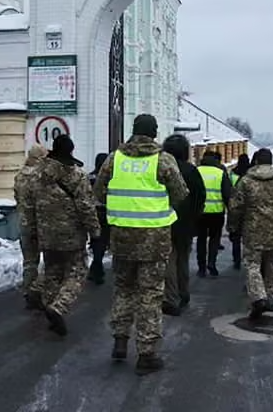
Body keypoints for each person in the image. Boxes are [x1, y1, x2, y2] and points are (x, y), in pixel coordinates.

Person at [92, 114, 189, 375]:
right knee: (150, 294)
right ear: (154, 133)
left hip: (122, 238)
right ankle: (146, 354)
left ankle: (120, 341)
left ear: (133, 131)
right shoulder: (163, 160)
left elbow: (98, 192)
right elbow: (180, 194)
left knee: (123, 289)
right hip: (154, 240)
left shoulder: (115, 158)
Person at [30, 135, 100, 336]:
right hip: (71, 234)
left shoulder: (38, 173)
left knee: (52, 271)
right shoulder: (76, 175)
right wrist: (95, 231)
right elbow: (86, 207)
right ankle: (58, 307)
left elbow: (31, 201)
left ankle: (49, 307)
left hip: (46, 233)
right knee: (77, 272)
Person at [227, 148, 273, 320]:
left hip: (253, 230)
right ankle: (271, 299)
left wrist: (232, 227)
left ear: (257, 162)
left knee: (252, 264)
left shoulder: (246, 182)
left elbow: (235, 207)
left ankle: (259, 297)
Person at [161, 134, 206, 316]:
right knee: (183, 258)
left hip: (165, 219)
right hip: (186, 223)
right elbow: (200, 196)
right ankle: (184, 292)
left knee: (169, 259)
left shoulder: (162, 169)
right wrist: (194, 217)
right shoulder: (191, 170)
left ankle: (170, 297)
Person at [15, 144, 49, 311]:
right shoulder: (40, 176)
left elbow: (17, 198)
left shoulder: (19, 175)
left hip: (23, 223)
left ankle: (29, 293)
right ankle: (40, 291)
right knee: (51, 260)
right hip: (41, 223)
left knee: (29, 261)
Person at [195, 149, 233, 277]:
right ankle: (211, 263)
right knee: (214, 239)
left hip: (200, 213)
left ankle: (201, 267)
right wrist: (231, 212)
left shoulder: (197, 171)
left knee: (201, 239)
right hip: (217, 213)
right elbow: (227, 194)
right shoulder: (220, 173)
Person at [87, 152, 111, 285]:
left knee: (96, 241)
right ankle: (97, 267)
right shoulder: (110, 179)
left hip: (93, 212)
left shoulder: (89, 177)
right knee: (103, 241)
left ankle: (96, 268)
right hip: (106, 212)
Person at [228, 154, 251, 270]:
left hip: (236, 208)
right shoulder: (251, 174)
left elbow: (230, 189)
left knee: (236, 238)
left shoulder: (233, 173)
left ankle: (236, 260)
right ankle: (247, 259)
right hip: (249, 211)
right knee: (248, 239)